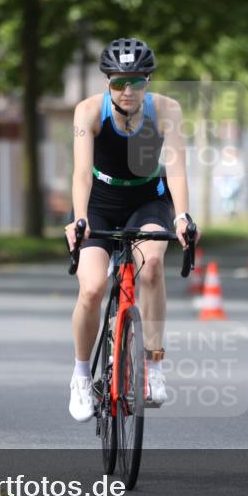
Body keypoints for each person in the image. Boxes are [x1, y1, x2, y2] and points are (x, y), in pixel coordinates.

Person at [64, 38, 198, 422]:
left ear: (147, 82)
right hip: (100, 203)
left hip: (147, 200)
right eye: (119, 82)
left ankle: (153, 367)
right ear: (107, 81)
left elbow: (176, 170)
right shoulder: (88, 112)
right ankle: (80, 375)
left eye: (136, 82)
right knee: (91, 287)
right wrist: (79, 219)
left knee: (152, 265)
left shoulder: (167, 111)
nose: (127, 90)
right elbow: (80, 174)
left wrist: (183, 216)